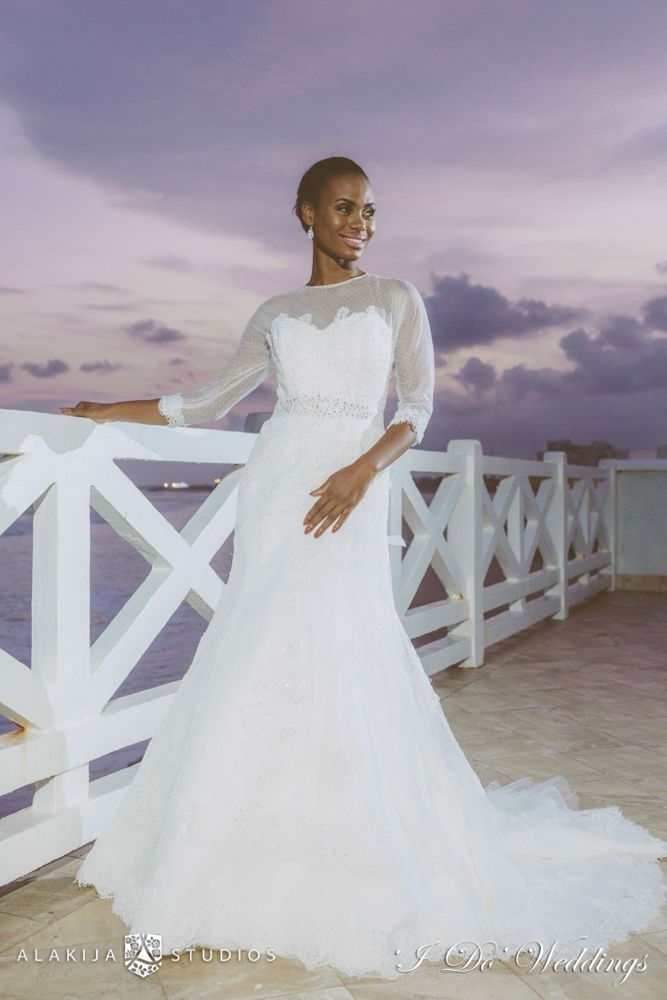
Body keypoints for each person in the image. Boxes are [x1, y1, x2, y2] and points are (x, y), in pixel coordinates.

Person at [67, 157, 667, 981]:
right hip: (278, 490)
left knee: (343, 648)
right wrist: (105, 410)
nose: (361, 224)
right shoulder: (275, 312)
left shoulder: (394, 298)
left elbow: (416, 409)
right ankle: (231, 846)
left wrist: (360, 470)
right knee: (258, 647)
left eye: (370, 211)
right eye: (345, 208)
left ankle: (344, 841)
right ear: (306, 213)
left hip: (352, 487)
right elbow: (205, 403)